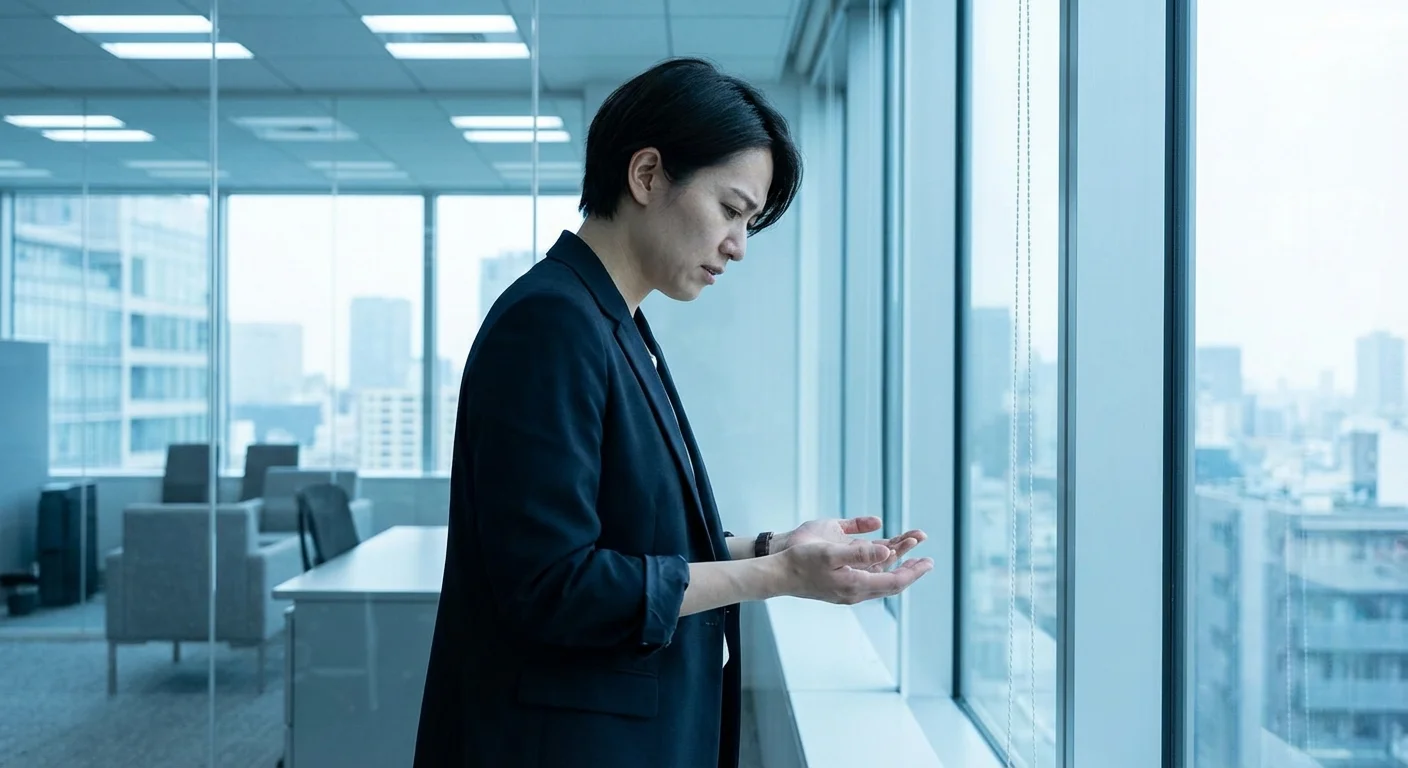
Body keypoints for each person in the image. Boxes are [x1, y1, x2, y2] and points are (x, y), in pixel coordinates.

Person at [412, 57, 933, 768]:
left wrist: (771, 548)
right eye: (730, 210)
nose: (738, 247)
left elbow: (633, 533)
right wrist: (778, 579)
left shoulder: (613, 323)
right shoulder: (551, 324)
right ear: (648, 175)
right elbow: (553, 585)